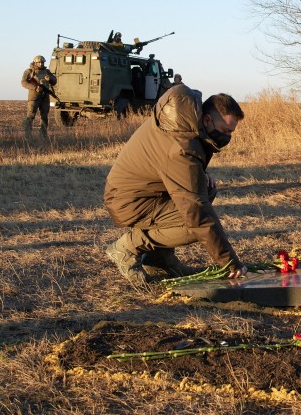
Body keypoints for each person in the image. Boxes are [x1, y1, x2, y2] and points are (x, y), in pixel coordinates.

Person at [104, 84, 247, 284]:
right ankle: (127, 246)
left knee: (205, 189)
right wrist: (229, 262)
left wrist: (200, 174)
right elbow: (197, 212)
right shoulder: (181, 144)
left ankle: (158, 258)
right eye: (225, 131)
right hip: (128, 201)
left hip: (143, 193)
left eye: (231, 133)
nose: (227, 138)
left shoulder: (184, 123)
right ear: (207, 120)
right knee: (194, 224)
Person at [21, 55, 56, 139]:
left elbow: (54, 81)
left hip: (45, 97)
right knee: (30, 116)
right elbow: (24, 82)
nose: (40, 64)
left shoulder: (47, 71)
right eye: (39, 62)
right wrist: (35, 88)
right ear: (35, 62)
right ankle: (28, 136)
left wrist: (50, 79)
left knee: (44, 117)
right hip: (34, 97)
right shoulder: (29, 71)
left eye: (42, 62)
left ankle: (43, 135)